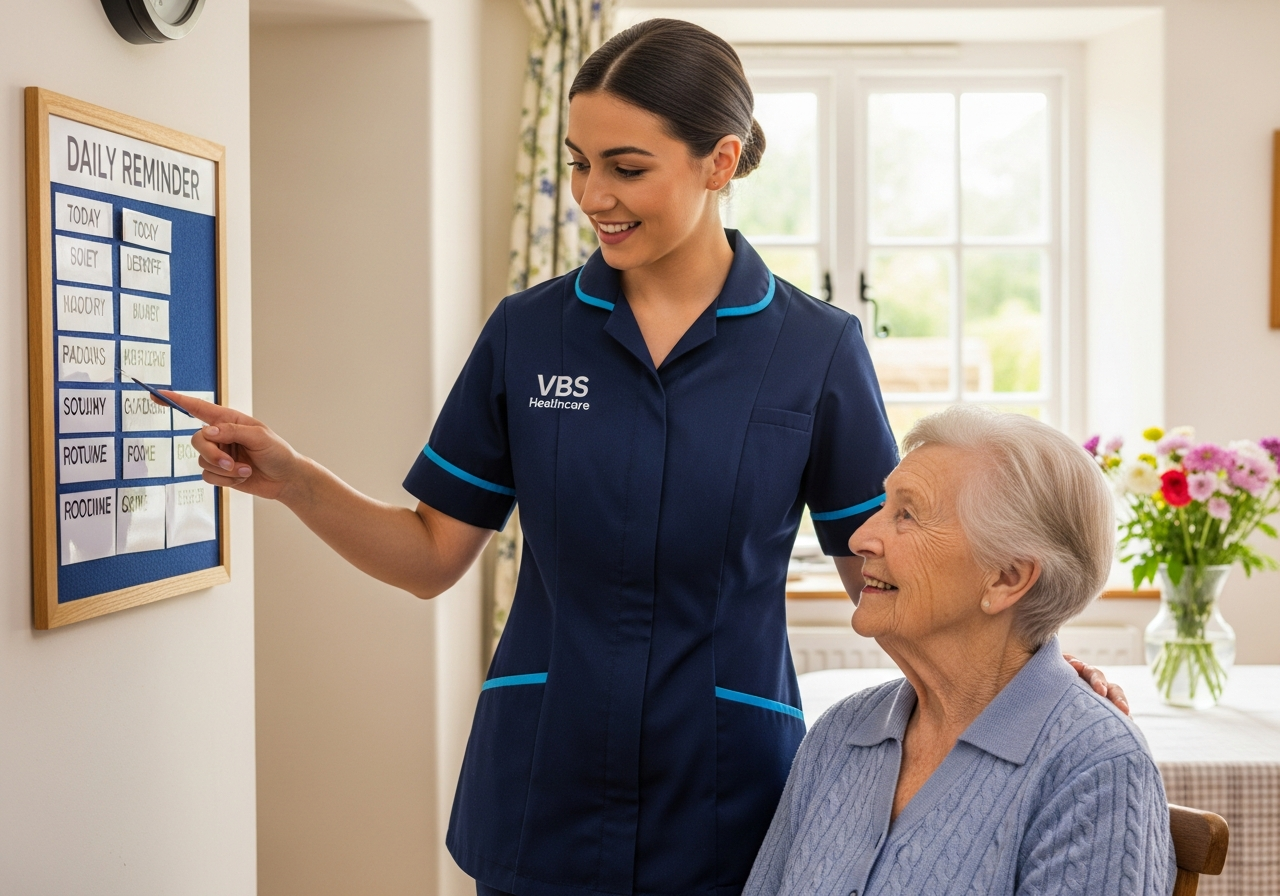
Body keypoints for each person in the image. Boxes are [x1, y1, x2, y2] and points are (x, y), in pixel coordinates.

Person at [174, 19, 1125, 896]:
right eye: (581, 164)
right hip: (542, 776)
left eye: (626, 167)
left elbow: (895, 568)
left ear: (720, 161)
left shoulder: (814, 348)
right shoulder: (529, 334)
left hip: (726, 788)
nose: (594, 197)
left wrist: (1035, 663)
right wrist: (293, 478)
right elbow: (429, 557)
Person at [743, 406, 1174, 896]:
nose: (861, 537)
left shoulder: (1096, 767)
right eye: (883, 507)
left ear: (1006, 578)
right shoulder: (840, 734)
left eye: (906, 514)